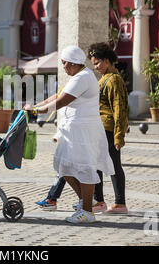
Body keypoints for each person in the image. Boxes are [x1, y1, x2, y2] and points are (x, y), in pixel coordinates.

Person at [25, 45, 115, 224]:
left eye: (64, 63)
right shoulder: (77, 76)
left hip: (83, 132)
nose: (63, 66)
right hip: (72, 131)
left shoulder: (82, 78)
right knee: (62, 166)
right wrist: (35, 106)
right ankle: (85, 202)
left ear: (73, 63)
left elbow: (61, 101)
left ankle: (88, 211)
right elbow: (56, 96)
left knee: (84, 168)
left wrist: (37, 112)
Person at [89, 42, 129, 214]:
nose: (96, 67)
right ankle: (101, 202)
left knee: (112, 165)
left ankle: (117, 203)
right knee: (99, 164)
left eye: (97, 63)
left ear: (106, 60)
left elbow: (119, 107)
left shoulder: (114, 79)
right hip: (101, 128)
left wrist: (119, 136)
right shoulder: (106, 78)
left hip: (108, 129)